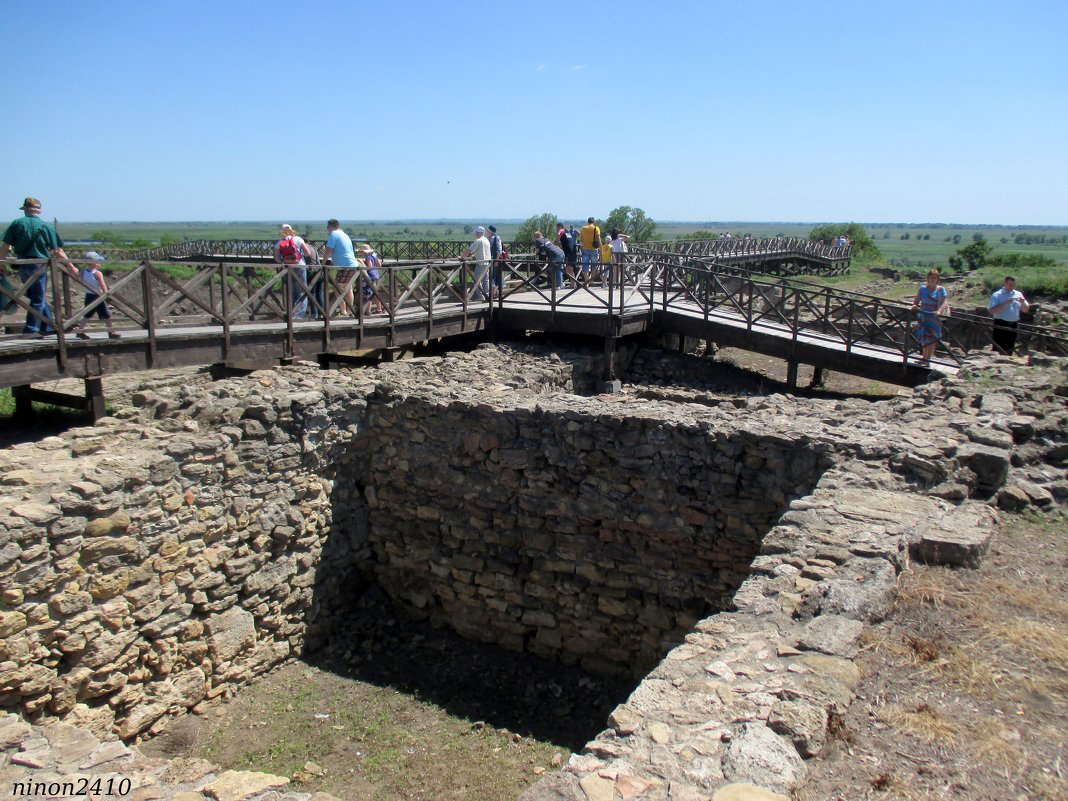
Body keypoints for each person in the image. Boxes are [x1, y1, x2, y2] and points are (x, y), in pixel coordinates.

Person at [0, 197, 76, 337]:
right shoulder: (45, 226)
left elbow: (5, 246)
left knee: (36, 296)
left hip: (23, 264)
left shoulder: (17, 223)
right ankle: (31, 330)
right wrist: (71, 265)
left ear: (25, 210)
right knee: (38, 298)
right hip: (39, 264)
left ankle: (48, 326)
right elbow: (57, 250)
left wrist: (2, 262)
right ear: (39, 210)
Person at [75, 251, 121, 340]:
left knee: (87, 314)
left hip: (88, 295)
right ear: (95, 263)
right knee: (106, 315)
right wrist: (106, 294)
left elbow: (79, 278)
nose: (100, 263)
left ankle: (81, 330)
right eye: (99, 261)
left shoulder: (83, 272)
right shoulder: (97, 273)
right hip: (97, 296)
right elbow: (102, 284)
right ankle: (111, 332)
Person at [911, 268, 949, 366]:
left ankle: (927, 360)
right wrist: (915, 305)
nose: (932, 279)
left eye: (934, 277)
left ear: (937, 279)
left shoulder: (941, 289)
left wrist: (939, 311)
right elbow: (917, 300)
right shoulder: (923, 288)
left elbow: (944, 302)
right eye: (930, 277)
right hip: (923, 316)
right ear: (928, 278)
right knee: (924, 337)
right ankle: (924, 358)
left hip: (934, 317)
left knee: (932, 338)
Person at [274, 224, 313, 318]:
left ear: (282, 232)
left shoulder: (279, 243)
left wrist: (285, 262)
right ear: (292, 231)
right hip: (300, 266)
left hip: (288, 268)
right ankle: (300, 315)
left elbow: (277, 259)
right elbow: (308, 253)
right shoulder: (298, 239)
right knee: (302, 292)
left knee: (291, 291)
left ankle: (292, 314)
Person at [988, 275, 1033, 356]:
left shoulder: (1018, 294)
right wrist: (1005, 303)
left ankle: (1007, 363)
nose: (1012, 287)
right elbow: (992, 311)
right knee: (998, 347)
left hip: (1013, 324)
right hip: (1000, 323)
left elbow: (1025, 310)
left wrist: (1023, 302)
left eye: (1013, 285)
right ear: (1005, 283)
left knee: (1010, 347)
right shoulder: (997, 295)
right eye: (1010, 284)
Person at [324, 219, 358, 316]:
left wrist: (323, 263)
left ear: (331, 226)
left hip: (345, 266)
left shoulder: (334, 234)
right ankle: (350, 311)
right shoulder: (344, 234)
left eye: (328, 227)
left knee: (337, 287)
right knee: (348, 288)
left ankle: (343, 311)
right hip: (352, 264)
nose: (327, 229)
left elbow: (329, 250)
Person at [460, 226, 491, 301]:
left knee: (476, 280)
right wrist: (474, 255)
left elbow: (469, 250)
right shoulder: (486, 240)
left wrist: (462, 257)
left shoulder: (478, 240)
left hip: (480, 263)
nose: (476, 234)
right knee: (485, 280)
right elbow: (482, 250)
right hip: (487, 263)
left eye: (476, 233)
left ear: (479, 233)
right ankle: (487, 296)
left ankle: (481, 296)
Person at [357, 243, 384, 314]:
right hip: (376, 275)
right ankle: (379, 309)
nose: (361, 253)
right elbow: (379, 265)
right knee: (376, 293)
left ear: (364, 252)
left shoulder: (368, 257)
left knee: (368, 293)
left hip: (371, 276)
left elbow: (370, 266)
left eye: (361, 252)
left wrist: (364, 266)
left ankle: (368, 310)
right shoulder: (374, 256)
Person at [578, 217, 602, 285]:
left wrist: (582, 246)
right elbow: (599, 240)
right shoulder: (596, 228)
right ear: (593, 222)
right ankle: (591, 279)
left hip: (585, 249)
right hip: (594, 249)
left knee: (585, 265)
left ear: (588, 222)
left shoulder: (583, 228)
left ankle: (586, 281)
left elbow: (581, 239)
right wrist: (601, 249)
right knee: (594, 265)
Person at [557, 223, 578, 287]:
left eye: (556, 228)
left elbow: (558, 235)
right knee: (570, 267)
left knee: (569, 267)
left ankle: (573, 283)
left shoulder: (561, 231)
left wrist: (554, 245)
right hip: (573, 250)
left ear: (560, 227)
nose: (556, 229)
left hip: (568, 252)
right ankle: (573, 283)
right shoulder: (567, 232)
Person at [487, 225, 506, 298]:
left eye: (488, 231)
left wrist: (497, 260)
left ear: (491, 232)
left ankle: (494, 293)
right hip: (490, 260)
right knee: (492, 276)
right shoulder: (488, 239)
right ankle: (495, 292)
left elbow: (499, 250)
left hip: (495, 260)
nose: (487, 232)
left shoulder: (496, 238)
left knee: (495, 276)